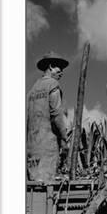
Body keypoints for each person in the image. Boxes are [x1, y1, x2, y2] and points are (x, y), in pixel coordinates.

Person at [27, 51, 69, 183]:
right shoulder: (53, 85)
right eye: (59, 68)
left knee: (34, 184)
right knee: (46, 187)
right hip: (47, 146)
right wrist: (64, 139)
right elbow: (56, 114)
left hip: (31, 148)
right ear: (50, 66)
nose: (61, 72)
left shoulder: (32, 90)